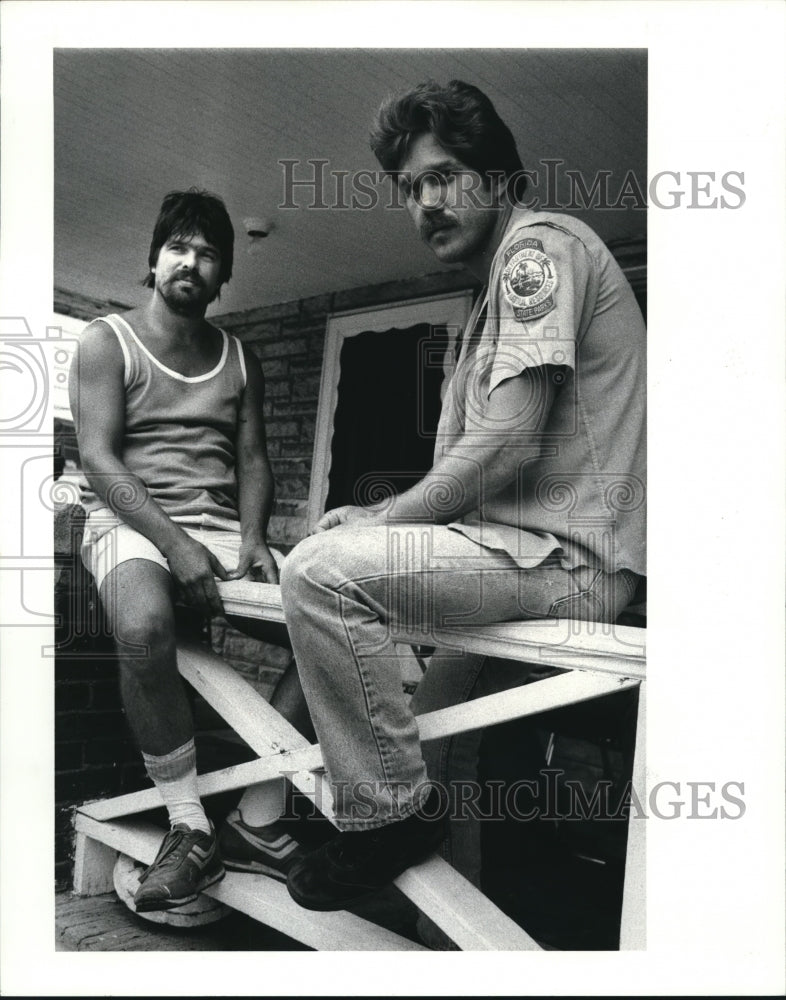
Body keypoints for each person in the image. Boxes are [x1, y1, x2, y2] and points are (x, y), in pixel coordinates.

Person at [279, 80, 646, 916]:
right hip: (519, 555)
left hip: (568, 563)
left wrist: (381, 523)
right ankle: (444, 926)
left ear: (501, 178)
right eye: (410, 189)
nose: (425, 202)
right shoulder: (491, 297)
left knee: (320, 575)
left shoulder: (535, 253)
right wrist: (378, 521)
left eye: (444, 176)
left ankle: (386, 821)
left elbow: (511, 437)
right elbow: (489, 464)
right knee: (438, 744)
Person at [70, 189, 301, 912]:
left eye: (207, 253)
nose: (190, 262)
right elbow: (101, 462)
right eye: (178, 247)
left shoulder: (239, 356)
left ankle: (260, 813)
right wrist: (175, 546)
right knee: (142, 627)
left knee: (332, 619)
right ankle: (189, 822)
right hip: (128, 520)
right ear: (153, 258)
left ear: (224, 272)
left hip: (221, 530)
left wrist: (256, 538)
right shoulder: (106, 340)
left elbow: (254, 459)